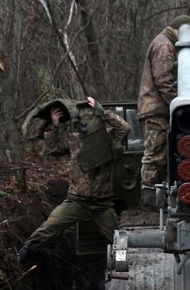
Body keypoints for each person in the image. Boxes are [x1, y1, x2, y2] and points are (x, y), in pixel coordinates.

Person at [18, 97, 131, 266]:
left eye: (90, 118)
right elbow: (53, 149)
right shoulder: (74, 140)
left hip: (102, 204)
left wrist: (103, 112)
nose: (87, 121)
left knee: (118, 242)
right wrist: (54, 126)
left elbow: (125, 128)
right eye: (83, 118)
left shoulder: (108, 139)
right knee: (50, 227)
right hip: (77, 200)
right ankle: (23, 254)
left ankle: (124, 266)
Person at [137, 14, 190, 209]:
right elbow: (163, 79)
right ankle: (149, 198)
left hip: (156, 108)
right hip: (156, 110)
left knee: (160, 154)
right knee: (155, 154)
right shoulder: (165, 45)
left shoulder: (163, 42)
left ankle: (154, 198)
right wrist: (178, 106)